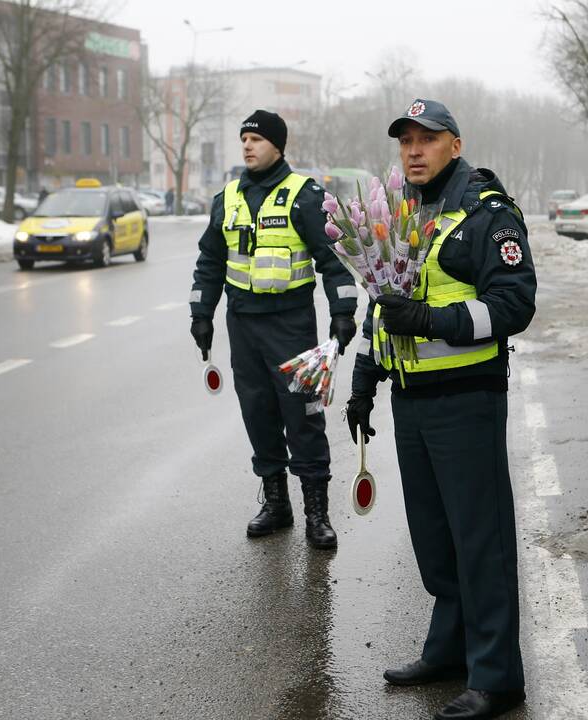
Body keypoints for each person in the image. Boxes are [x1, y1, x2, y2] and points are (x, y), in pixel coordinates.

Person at [346, 98, 536, 720]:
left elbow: (513, 307)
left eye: (427, 139)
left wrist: (436, 321)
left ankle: (497, 677)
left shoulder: (485, 212)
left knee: (480, 540)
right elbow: (386, 305)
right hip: (411, 402)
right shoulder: (400, 212)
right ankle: (450, 650)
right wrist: (365, 377)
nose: (413, 150)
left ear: (455, 144)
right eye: (405, 141)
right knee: (435, 539)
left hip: (467, 403)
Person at [189, 109, 359, 549]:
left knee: (303, 417)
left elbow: (333, 258)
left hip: (291, 325)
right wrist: (202, 313)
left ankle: (316, 513)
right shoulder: (226, 198)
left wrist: (343, 311)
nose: (248, 146)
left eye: (257, 139)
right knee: (258, 414)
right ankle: (276, 504)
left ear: (278, 146)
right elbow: (210, 261)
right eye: (244, 138)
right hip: (243, 326)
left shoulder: (304, 195)